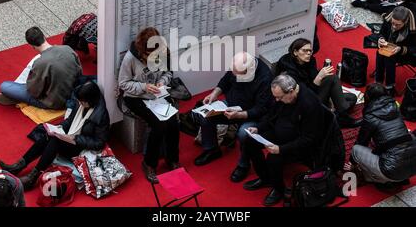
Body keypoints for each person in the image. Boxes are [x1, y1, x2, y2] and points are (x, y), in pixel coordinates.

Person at [0, 81, 110, 190]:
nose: (80, 104)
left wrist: (75, 139)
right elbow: (69, 121)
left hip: (81, 148)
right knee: (49, 135)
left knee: (55, 141)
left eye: (83, 102)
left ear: (91, 100)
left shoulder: (101, 116)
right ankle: (19, 166)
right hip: (71, 138)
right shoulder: (82, 104)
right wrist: (57, 128)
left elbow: (99, 143)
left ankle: (33, 177)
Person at [242, 74, 326, 206]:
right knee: (250, 141)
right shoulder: (282, 96)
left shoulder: (309, 104)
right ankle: (266, 178)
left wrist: (281, 149)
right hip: (280, 133)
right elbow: (271, 115)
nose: (276, 100)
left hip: (297, 144)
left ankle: (279, 189)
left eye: (279, 97)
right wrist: (258, 128)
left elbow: (309, 139)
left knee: (273, 158)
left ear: (291, 91)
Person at [193, 52, 273, 184]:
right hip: (231, 105)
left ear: (250, 70)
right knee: (206, 116)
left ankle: (243, 165)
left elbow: (261, 109)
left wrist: (240, 115)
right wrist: (214, 94)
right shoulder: (238, 66)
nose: (235, 75)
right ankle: (211, 149)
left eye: (239, 74)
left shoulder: (265, 78)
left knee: (244, 135)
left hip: (252, 113)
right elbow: (225, 81)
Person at [118, 27, 180, 184]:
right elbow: (123, 83)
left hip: (157, 95)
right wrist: (144, 87)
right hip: (135, 97)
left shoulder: (164, 52)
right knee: (158, 125)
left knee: (173, 123)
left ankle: (172, 158)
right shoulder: (130, 59)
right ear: (142, 51)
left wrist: (162, 82)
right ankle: (149, 163)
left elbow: (169, 73)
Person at [274, 38, 358, 127]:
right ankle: (341, 117)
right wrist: (319, 77)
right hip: (304, 102)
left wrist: (330, 97)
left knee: (352, 97)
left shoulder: (310, 61)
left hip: (316, 93)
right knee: (333, 79)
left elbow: (318, 84)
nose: (309, 53)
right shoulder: (289, 71)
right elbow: (304, 94)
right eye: (305, 51)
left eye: (310, 51)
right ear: (295, 52)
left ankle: (332, 115)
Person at [344, 83, 416, 187]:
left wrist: (352, 164)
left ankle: (378, 179)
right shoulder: (395, 106)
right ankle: (394, 177)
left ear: (367, 97)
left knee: (356, 149)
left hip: (391, 170)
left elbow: (362, 142)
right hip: (413, 167)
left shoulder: (370, 116)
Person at [0, 26, 82, 109]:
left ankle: (17, 98)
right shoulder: (67, 49)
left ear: (31, 45)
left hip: (54, 102)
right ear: (44, 37)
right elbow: (79, 72)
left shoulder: (40, 63)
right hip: (73, 92)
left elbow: (33, 91)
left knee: (5, 86)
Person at [375, 6, 416, 96]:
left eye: (398, 25)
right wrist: (381, 38)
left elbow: (414, 48)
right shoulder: (390, 17)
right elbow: (382, 32)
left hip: (408, 53)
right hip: (391, 45)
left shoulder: (413, 27)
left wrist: (401, 49)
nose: (394, 26)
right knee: (380, 51)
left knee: (389, 57)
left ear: (405, 22)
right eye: (393, 23)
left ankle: (390, 86)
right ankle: (378, 81)